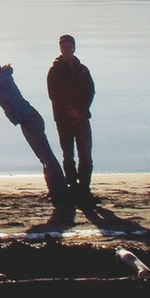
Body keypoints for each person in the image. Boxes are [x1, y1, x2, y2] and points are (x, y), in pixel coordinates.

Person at [0, 58, 75, 221]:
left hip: (31, 119)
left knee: (48, 158)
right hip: (26, 121)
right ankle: (55, 192)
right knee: (44, 158)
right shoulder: (0, 79)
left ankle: (63, 194)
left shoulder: (1, 78)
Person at [47, 34, 96, 205]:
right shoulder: (55, 71)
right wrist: (69, 110)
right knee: (68, 155)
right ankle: (73, 187)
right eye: (64, 47)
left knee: (86, 156)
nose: (67, 50)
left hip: (82, 118)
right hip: (63, 119)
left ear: (74, 48)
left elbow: (90, 91)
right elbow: (54, 95)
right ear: (60, 48)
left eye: (69, 47)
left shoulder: (82, 69)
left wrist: (81, 110)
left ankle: (85, 189)